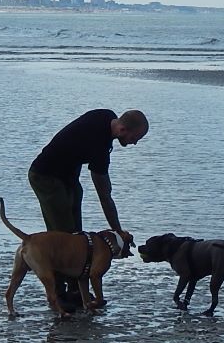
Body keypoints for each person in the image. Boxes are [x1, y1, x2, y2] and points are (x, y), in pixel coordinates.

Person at [27, 108, 148, 308]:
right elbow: (104, 196)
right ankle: (60, 294)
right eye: (136, 138)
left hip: (67, 177)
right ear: (123, 129)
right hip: (45, 176)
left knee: (77, 235)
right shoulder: (99, 146)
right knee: (64, 237)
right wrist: (118, 232)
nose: (135, 142)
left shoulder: (105, 115)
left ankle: (76, 289)